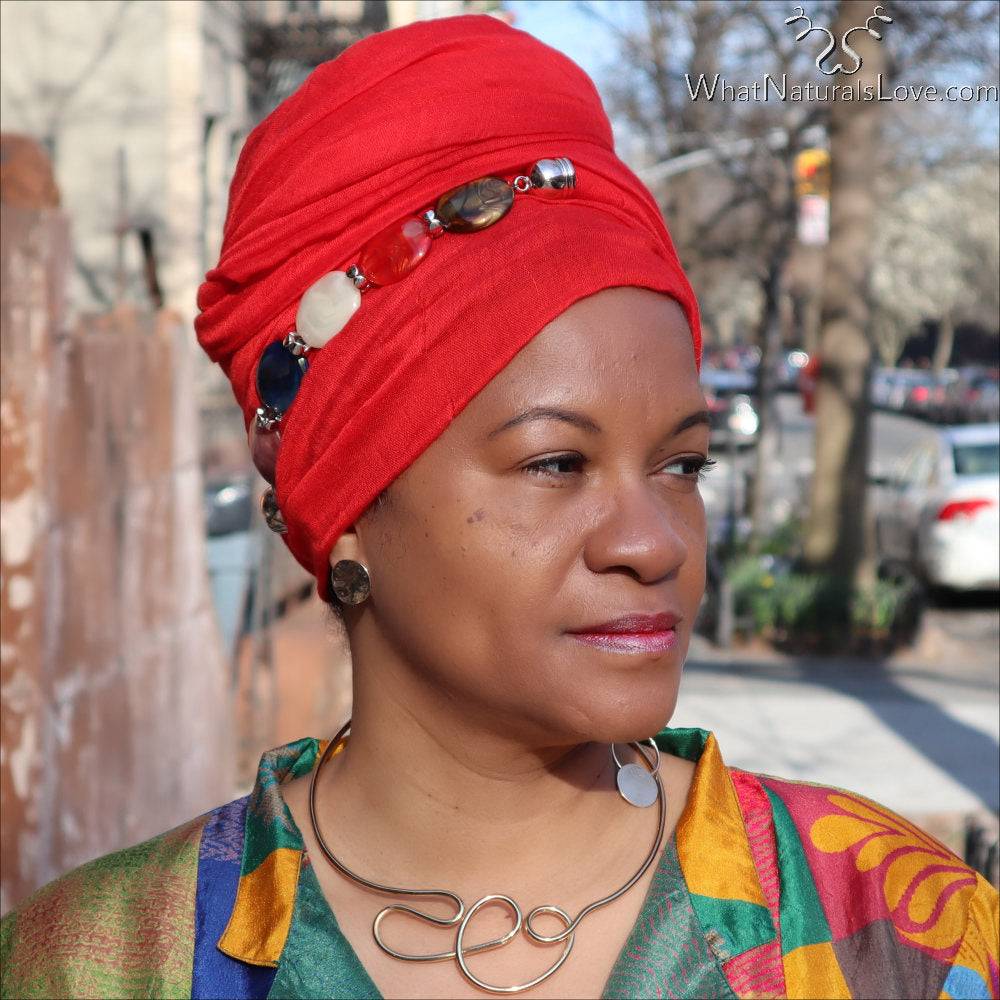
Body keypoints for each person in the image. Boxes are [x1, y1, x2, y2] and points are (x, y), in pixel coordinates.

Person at [2, 14, 997, 1000]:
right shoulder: (104, 964)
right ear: (345, 509)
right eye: (557, 463)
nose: (653, 544)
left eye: (682, 465)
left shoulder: (895, 932)